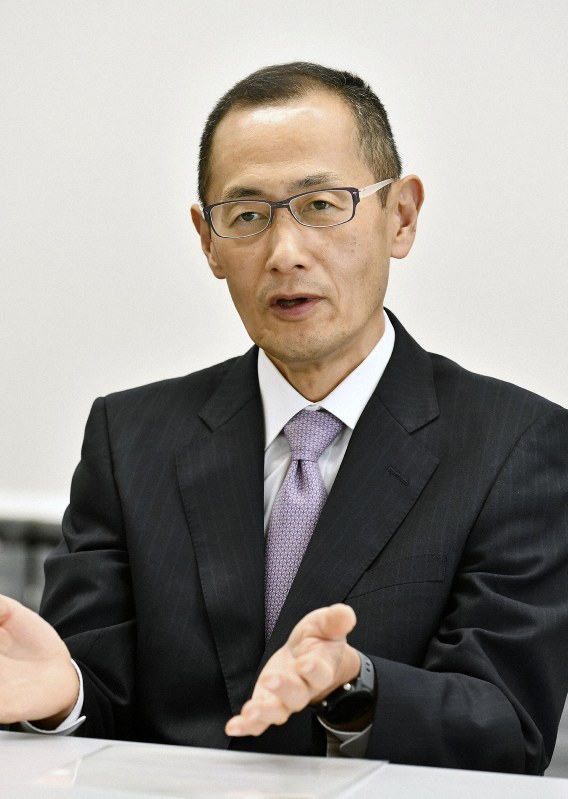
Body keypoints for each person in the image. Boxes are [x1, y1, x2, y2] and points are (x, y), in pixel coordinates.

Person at [0, 62, 567, 774]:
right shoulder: (129, 437)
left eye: (322, 205)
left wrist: (356, 688)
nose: (286, 253)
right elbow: (96, 687)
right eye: (247, 216)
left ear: (401, 216)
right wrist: (64, 698)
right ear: (208, 241)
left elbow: (508, 729)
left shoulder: (517, 446)